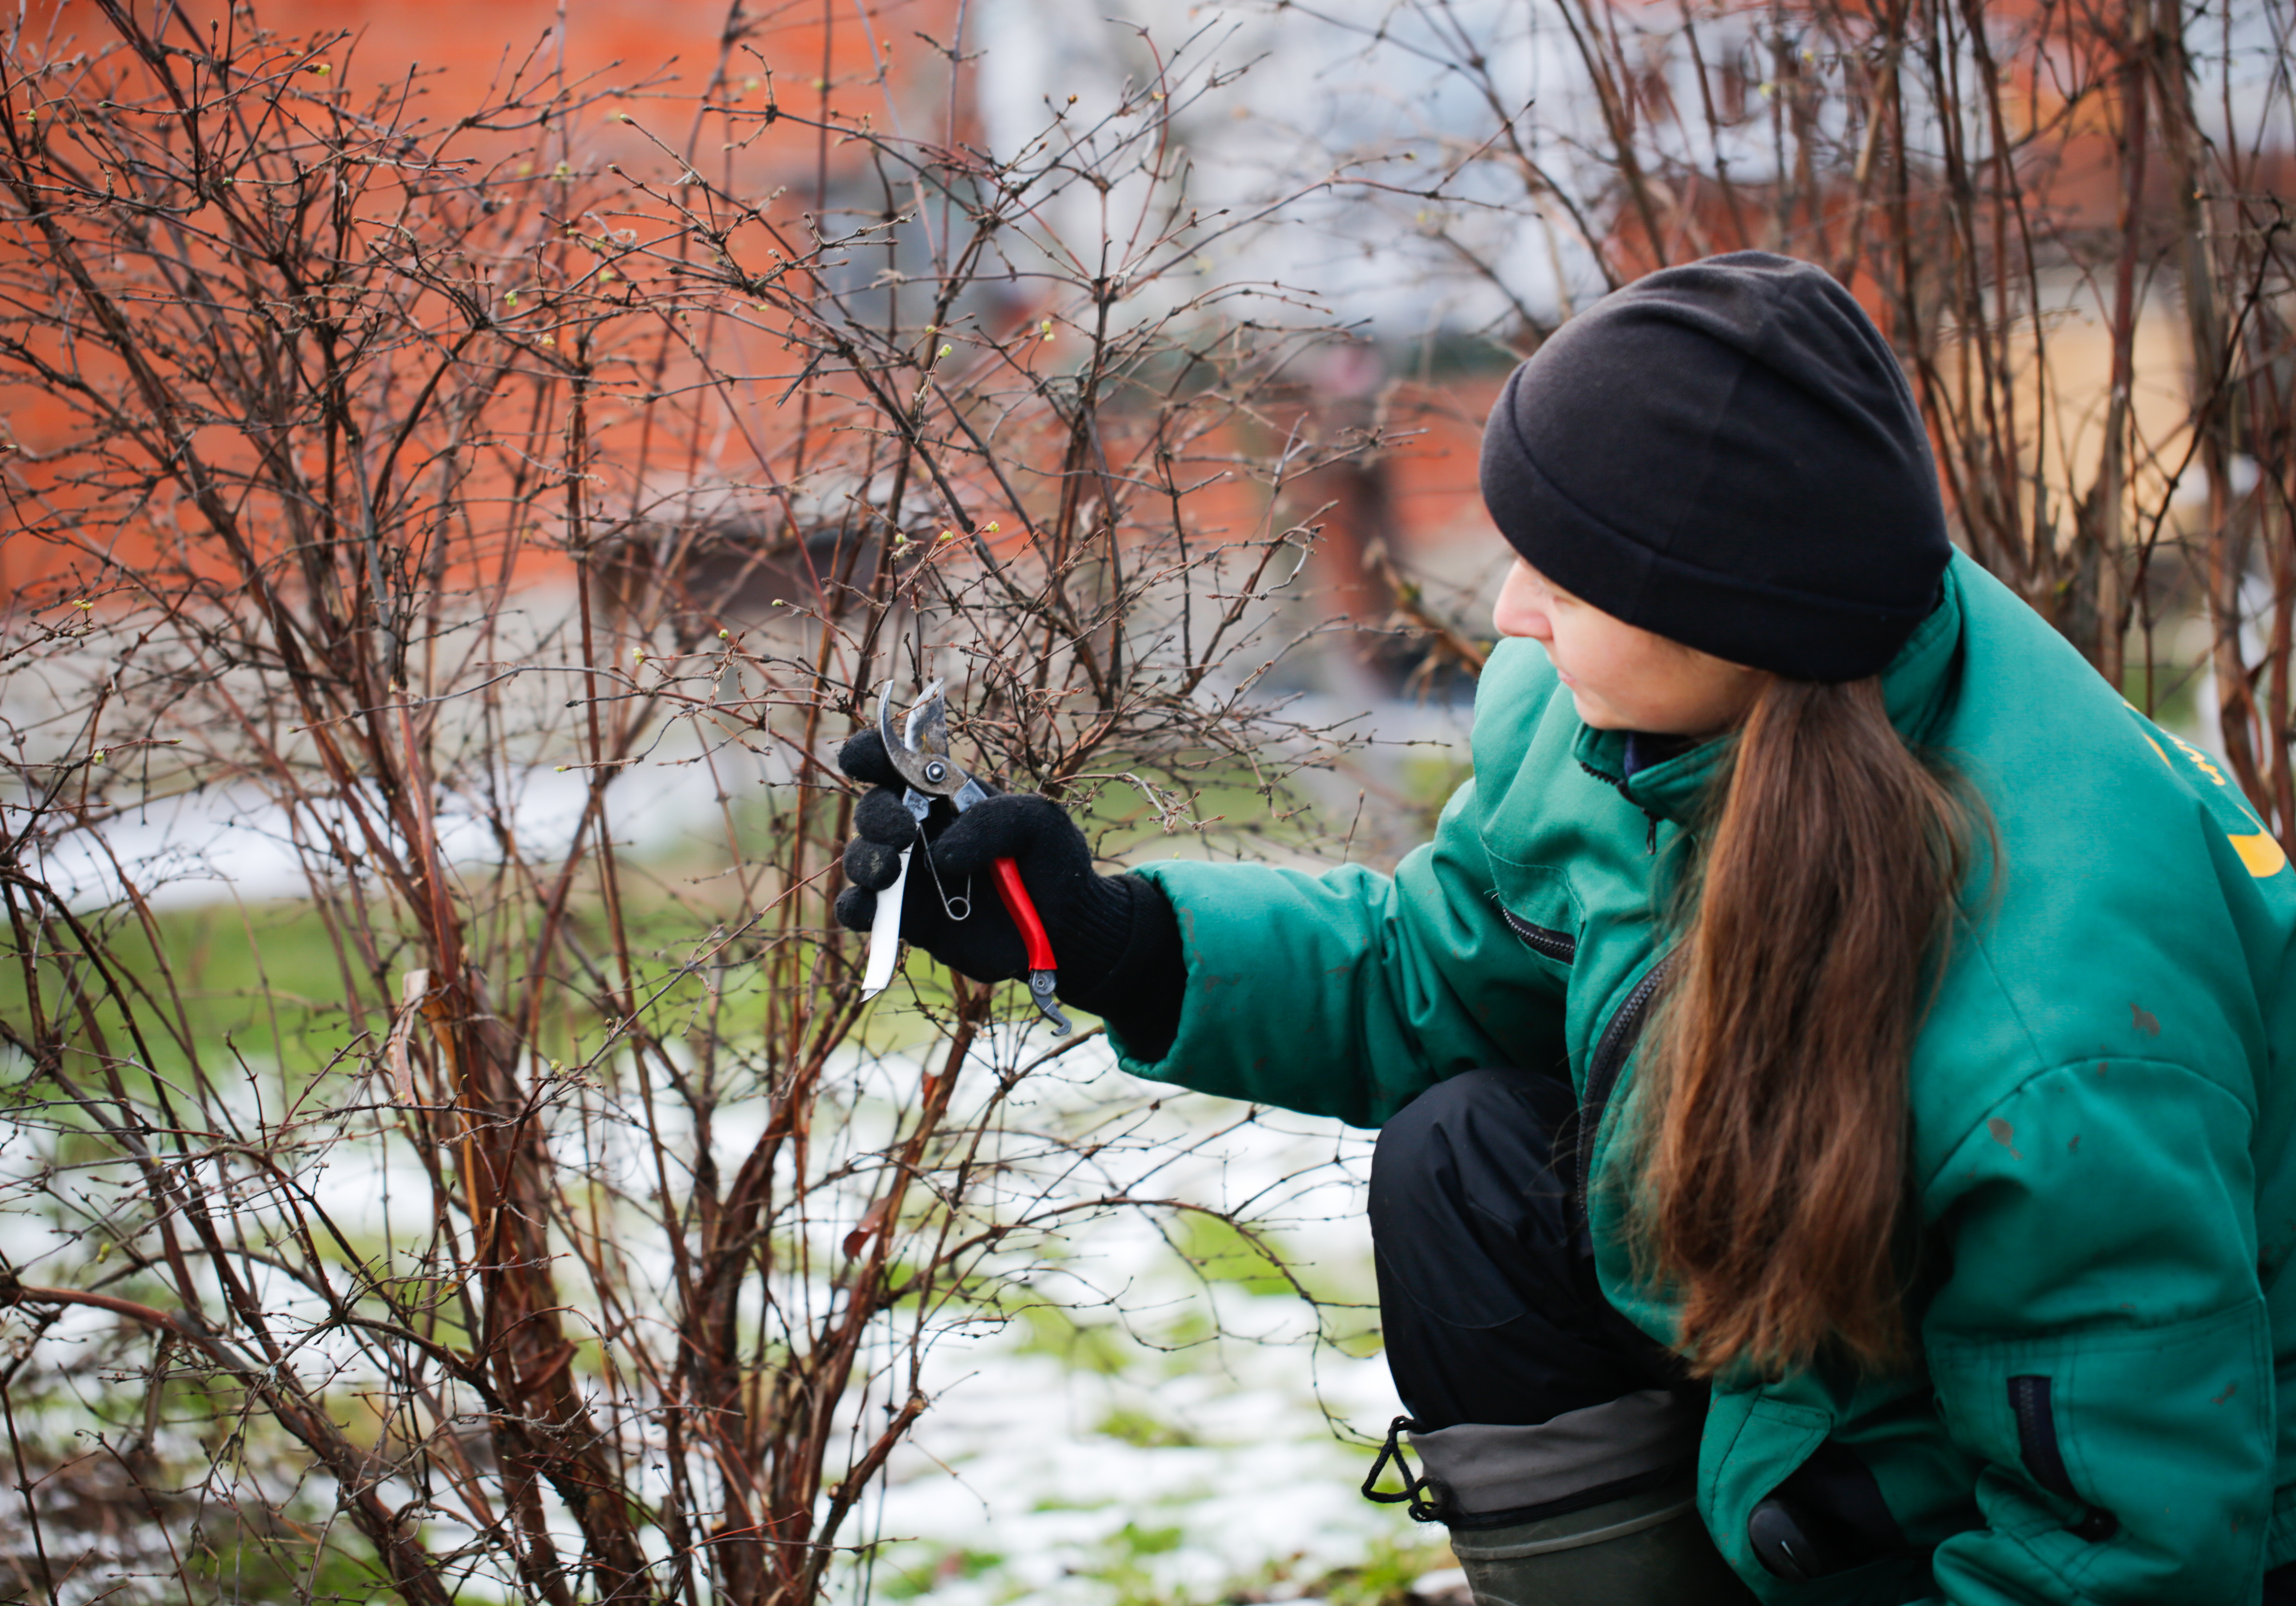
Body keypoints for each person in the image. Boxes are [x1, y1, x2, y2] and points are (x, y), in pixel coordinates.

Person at [832, 252, 2296, 1605]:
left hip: (2059, 1482)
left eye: (1569, 574)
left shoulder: (2061, 1042)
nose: (1514, 610)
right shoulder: (1680, 699)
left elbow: (2122, 1555)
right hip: (1823, 1390)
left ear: (1718, 611)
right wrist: (1103, 936)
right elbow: (1436, 974)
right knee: (1462, 1164)